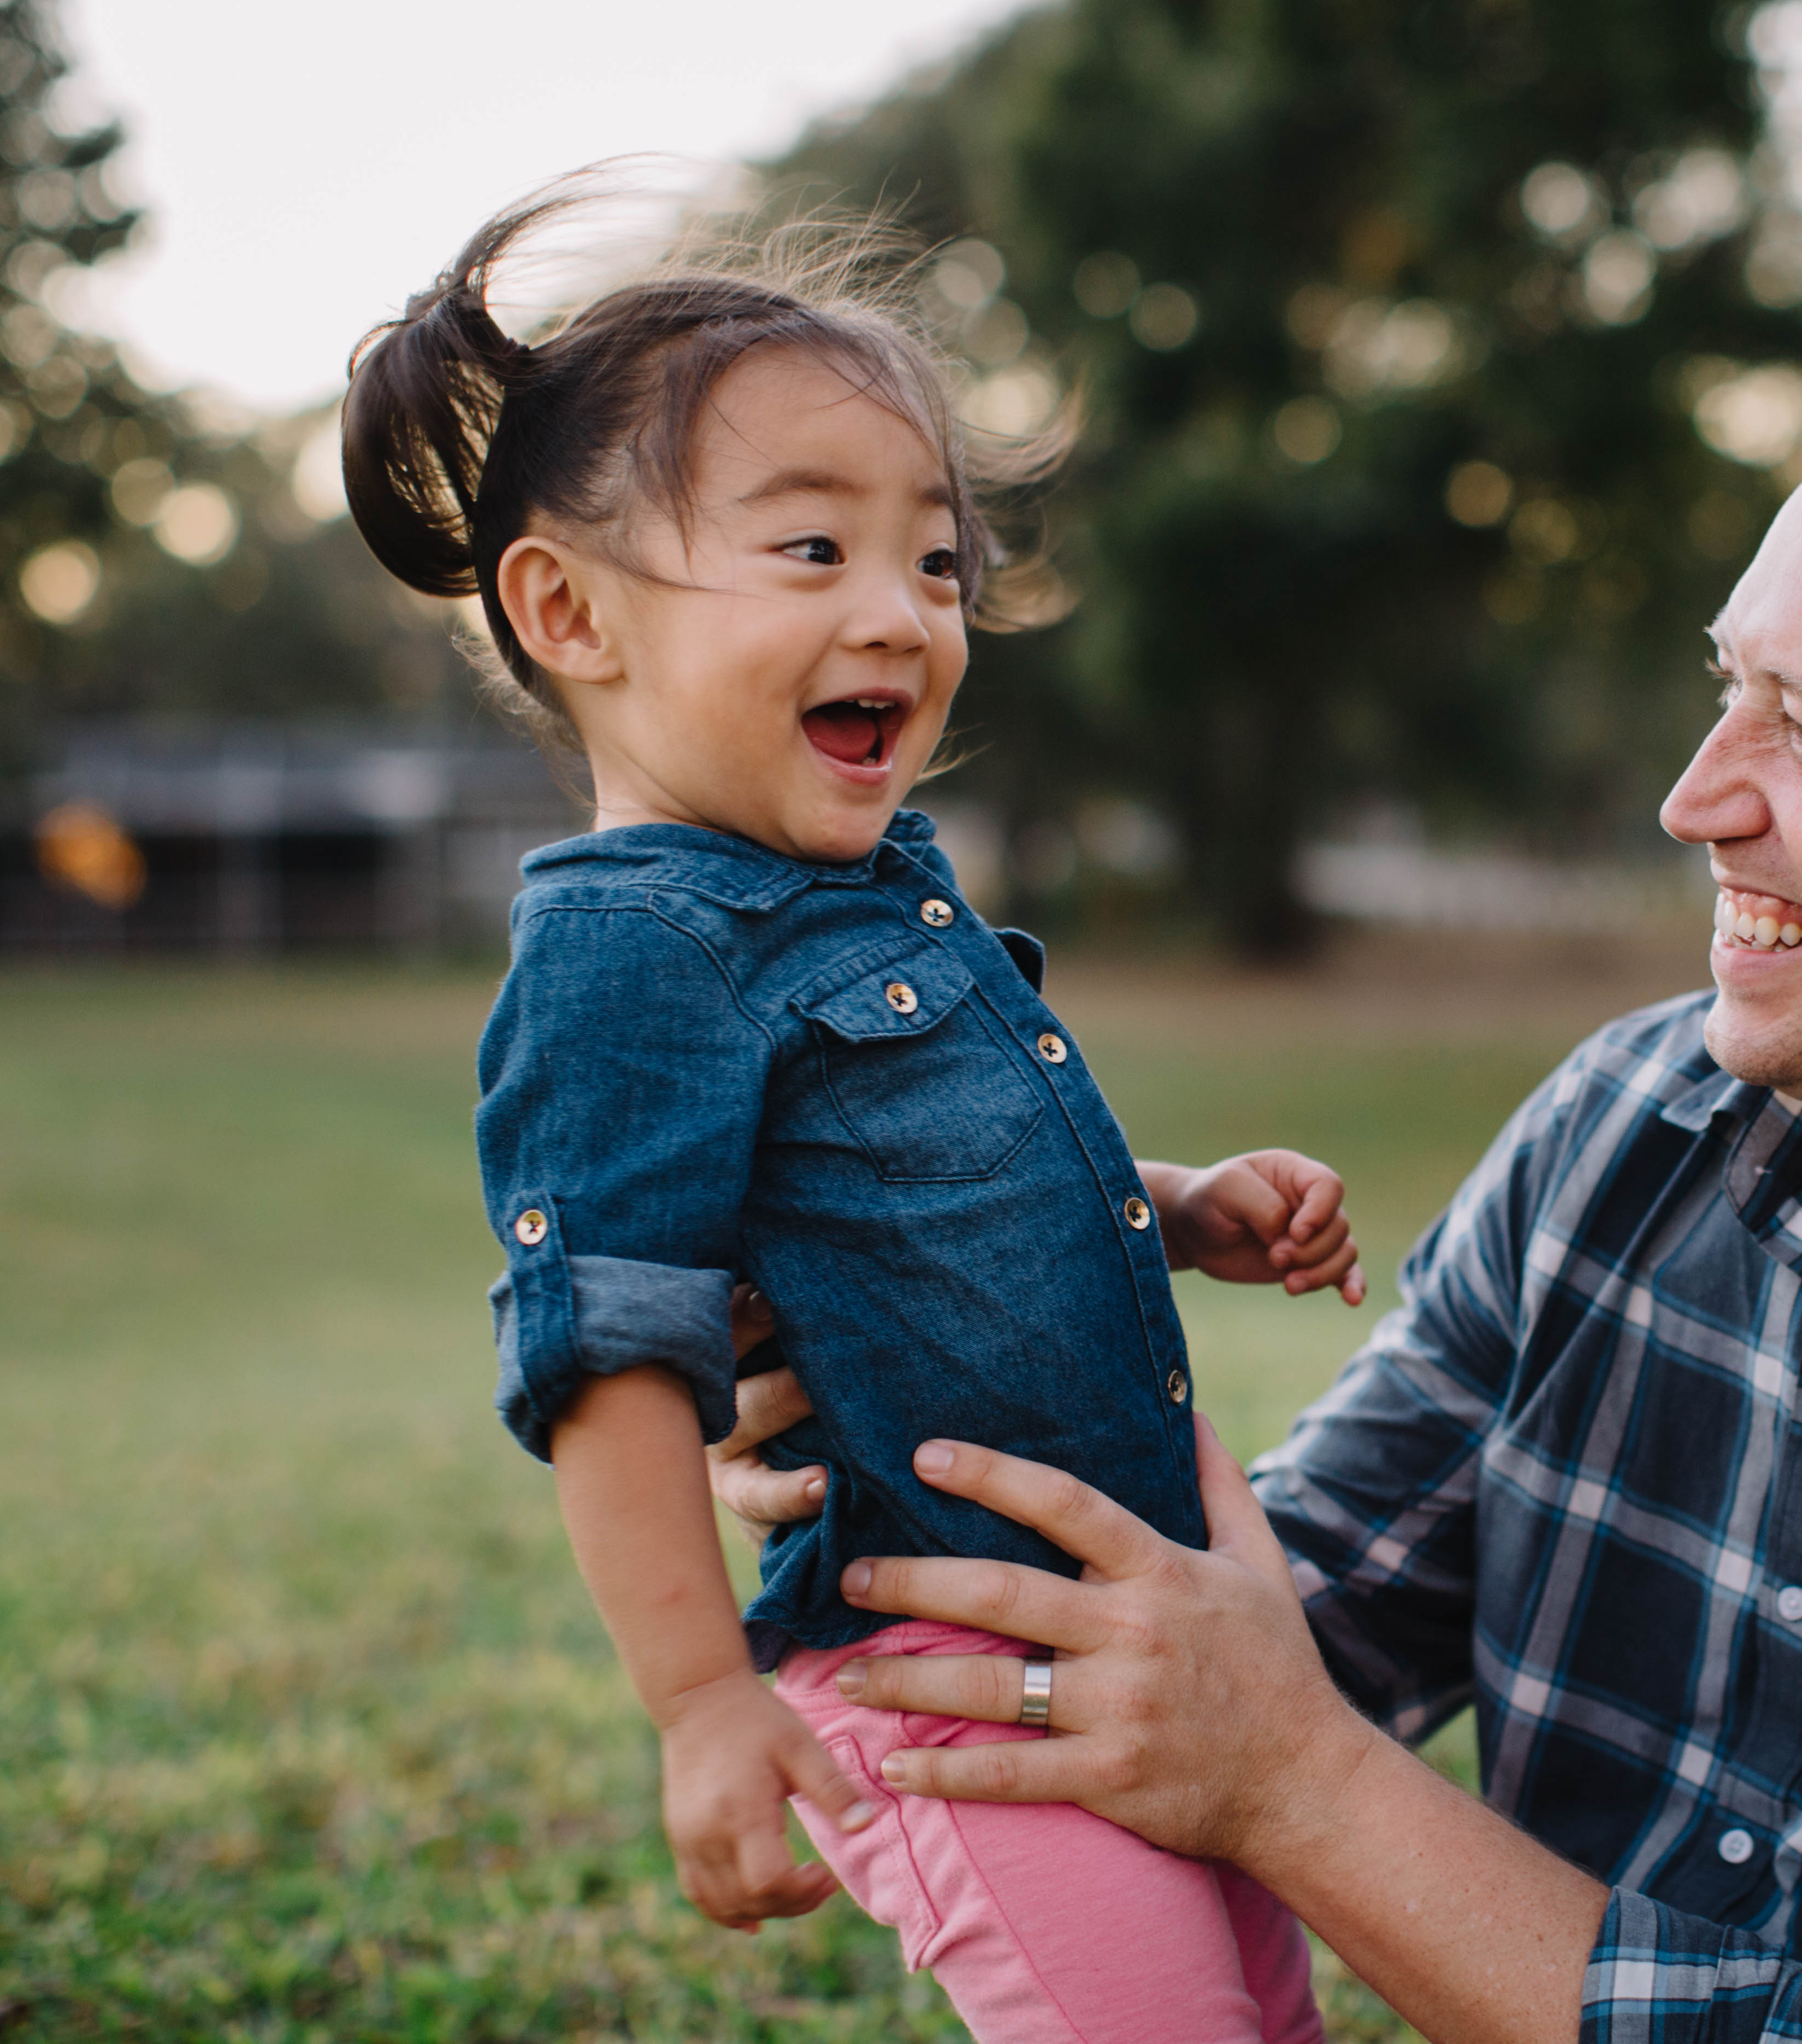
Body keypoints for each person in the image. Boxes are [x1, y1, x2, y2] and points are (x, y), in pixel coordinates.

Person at [716, 324, 1802, 2042]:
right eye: (1732, 688)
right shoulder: (1632, 1122)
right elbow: (1291, 1614)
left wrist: (1291, 1783)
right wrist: (916, 1433)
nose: (1694, 798)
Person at [339, 190, 1367, 2044]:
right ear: (570, 613)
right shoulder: (630, 954)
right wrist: (697, 1703)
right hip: (944, 1668)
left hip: (1149, 1625)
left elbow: (918, 1190)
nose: (901, 614)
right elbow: (613, 1356)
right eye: (812, 549)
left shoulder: (871, 882)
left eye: (940, 565)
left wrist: (1183, 1203)